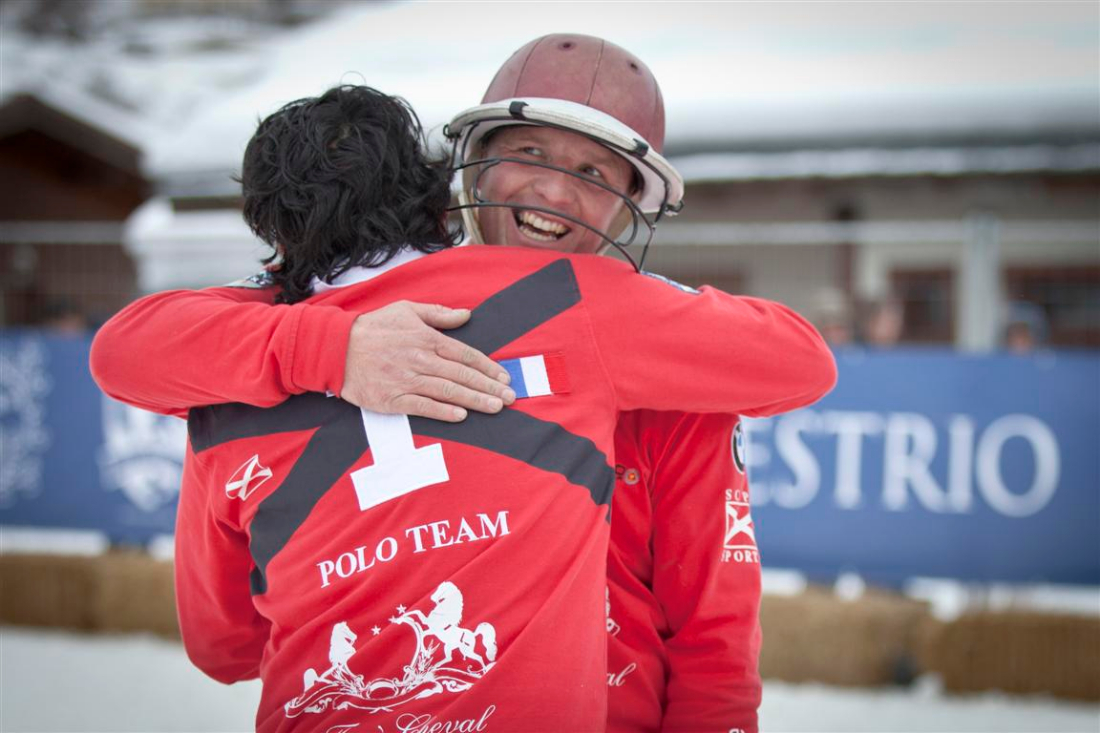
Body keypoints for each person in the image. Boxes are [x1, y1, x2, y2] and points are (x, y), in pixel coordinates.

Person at [90, 37, 835, 732]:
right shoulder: (298, 314)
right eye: (530, 152)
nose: (553, 190)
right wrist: (338, 347)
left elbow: (716, 632)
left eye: (594, 173)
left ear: (627, 205)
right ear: (470, 163)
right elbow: (131, 347)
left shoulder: (667, 350)